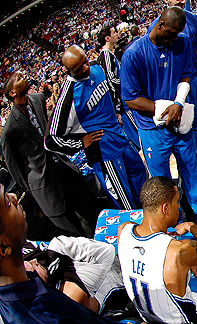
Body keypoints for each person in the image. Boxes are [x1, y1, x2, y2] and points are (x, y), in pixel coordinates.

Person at [120, 7, 197, 219]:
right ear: (160, 25)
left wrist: (178, 103)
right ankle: (166, 216)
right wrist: (163, 109)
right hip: (152, 126)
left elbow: (186, 76)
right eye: (171, 33)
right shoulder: (133, 55)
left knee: (190, 165)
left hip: (179, 119)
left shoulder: (182, 42)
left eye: (178, 33)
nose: (174, 38)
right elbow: (131, 99)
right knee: (160, 177)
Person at [46, 45, 147, 211]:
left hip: (120, 139)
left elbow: (111, 91)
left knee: (140, 177)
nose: (86, 68)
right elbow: (51, 139)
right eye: (79, 68)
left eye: (85, 61)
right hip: (103, 154)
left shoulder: (97, 68)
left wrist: (116, 112)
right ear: (69, 72)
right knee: (125, 202)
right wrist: (80, 143)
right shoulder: (68, 96)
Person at [1, 71, 100, 236]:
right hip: (45, 185)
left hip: (62, 167)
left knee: (91, 209)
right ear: (12, 93)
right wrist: (37, 191)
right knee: (73, 231)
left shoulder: (38, 99)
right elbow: (16, 171)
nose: (24, 76)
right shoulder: (9, 130)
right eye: (18, 78)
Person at [117, 176, 197, 323]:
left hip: (147, 316)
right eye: (177, 201)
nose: (178, 207)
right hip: (182, 320)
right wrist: (191, 227)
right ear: (165, 208)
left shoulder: (123, 230)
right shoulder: (181, 250)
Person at [0, 184, 117, 324]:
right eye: (7, 203)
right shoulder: (40, 317)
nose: (14, 197)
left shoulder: (28, 282)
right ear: (3, 247)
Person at [149, 0, 197, 179]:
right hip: (172, 83)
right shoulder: (157, 25)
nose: (180, 1)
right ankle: (189, 176)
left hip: (194, 78)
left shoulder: (191, 19)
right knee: (182, 130)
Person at [23, 236, 116, 312]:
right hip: (117, 274)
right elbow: (107, 252)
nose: (34, 261)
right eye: (33, 266)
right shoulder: (70, 294)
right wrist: (61, 246)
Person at [96, 24, 141, 151]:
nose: (117, 34)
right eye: (113, 32)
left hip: (123, 103)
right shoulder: (106, 56)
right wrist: (127, 82)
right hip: (122, 105)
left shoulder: (110, 54)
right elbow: (110, 81)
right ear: (107, 38)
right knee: (138, 134)